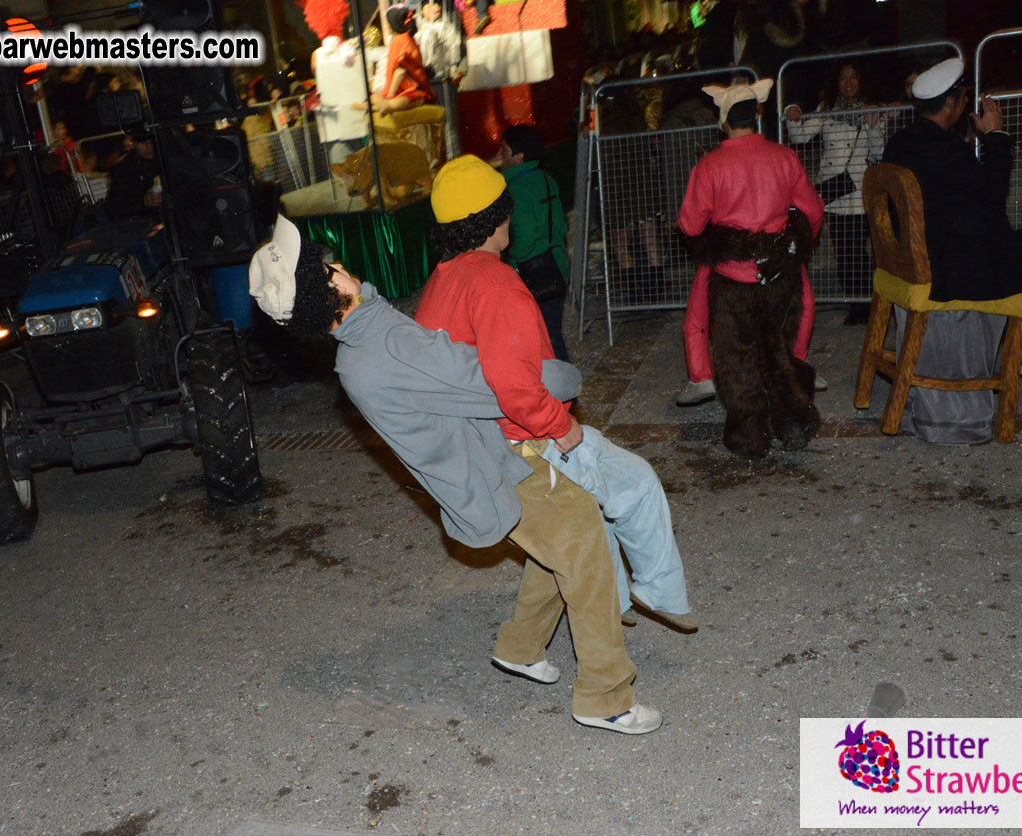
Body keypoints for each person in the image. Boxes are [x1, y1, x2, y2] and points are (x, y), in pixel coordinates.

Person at [248, 214, 662, 734]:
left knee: (562, 542)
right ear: (325, 288)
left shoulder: (362, 341)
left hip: (484, 458)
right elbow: (483, 380)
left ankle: (521, 647)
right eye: (327, 267)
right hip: (491, 467)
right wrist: (561, 379)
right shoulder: (382, 348)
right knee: (584, 538)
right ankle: (606, 698)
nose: (339, 265)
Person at [415, 154, 696, 633]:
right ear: (496, 216)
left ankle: (613, 602)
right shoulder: (495, 282)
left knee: (589, 507)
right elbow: (513, 382)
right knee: (635, 484)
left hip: (482, 436)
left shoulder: (441, 280)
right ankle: (656, 590)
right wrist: (561, 427)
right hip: (523, 436)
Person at [882, 57, 1022, 382]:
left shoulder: (899, 142)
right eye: (962, 97)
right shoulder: (948, 149)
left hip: (904, 262)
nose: (964, 102)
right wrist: (997, 134)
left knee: (1005, 245)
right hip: (945, 275)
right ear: (950, 103)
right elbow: (995, 193)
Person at [676, 79, 824, 458]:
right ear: (756, 117)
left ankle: (749, 436)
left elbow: (690, 225)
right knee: (779, 352)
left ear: (723, 122)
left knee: (737, 357)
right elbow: (812, 211)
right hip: (778, 277)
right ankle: (791, 423)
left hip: (731, 281)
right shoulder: (785, 158)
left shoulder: (709, 166)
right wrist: (791, 246)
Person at [785, 61, 885, 325]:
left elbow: (877, 153)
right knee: (843, 251)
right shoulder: (826, 109)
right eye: (843, 78)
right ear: (836, 83)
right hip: (835, 190)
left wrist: (873, 124)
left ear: (862, 80)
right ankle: (857, 305)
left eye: (854, 77)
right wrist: (792, 113)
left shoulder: (873, 109)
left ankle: (868, 304)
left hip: (862, 190)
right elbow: (800, 137)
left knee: (862, 251)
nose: (849, 82)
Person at [498, 125, 570, 362]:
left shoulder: (515, 190)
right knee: (552, 332)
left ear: (518, 157)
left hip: (530, 274)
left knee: (540, 339)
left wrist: (510, 260)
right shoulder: (547, 179)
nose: (501, 156)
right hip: (556, 265)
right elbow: (560, 225)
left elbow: (523, 238)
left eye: (504, 151)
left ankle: (558, 390)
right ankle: (562, 387)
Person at [415, 0, 467, 158]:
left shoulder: (446, 27)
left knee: (449, 122)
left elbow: (455, 50)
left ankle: (454, 157)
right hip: (426, 83)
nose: (436, 8)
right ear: (422, 10)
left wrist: (453, 70)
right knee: (429, 124)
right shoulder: (421, 31)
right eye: (430, 5)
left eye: (437, 4)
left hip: (443, 80)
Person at [362, 5, 436, 117]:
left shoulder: (400, 41)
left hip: (409, 89)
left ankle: (382, 105)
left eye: (388, 23)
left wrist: (390, 95)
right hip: (401, 89)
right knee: (369, 102)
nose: (386, 26)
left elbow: (400, 71)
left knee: (380, 103)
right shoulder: (403, 39)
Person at [102, 132, 161, 223]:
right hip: (147, 223)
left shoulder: (166, 157)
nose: (149, 147)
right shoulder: (124, 170)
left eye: (151, 142)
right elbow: (114, 210)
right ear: (133, 145)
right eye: (144, 143)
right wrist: (144, 202)